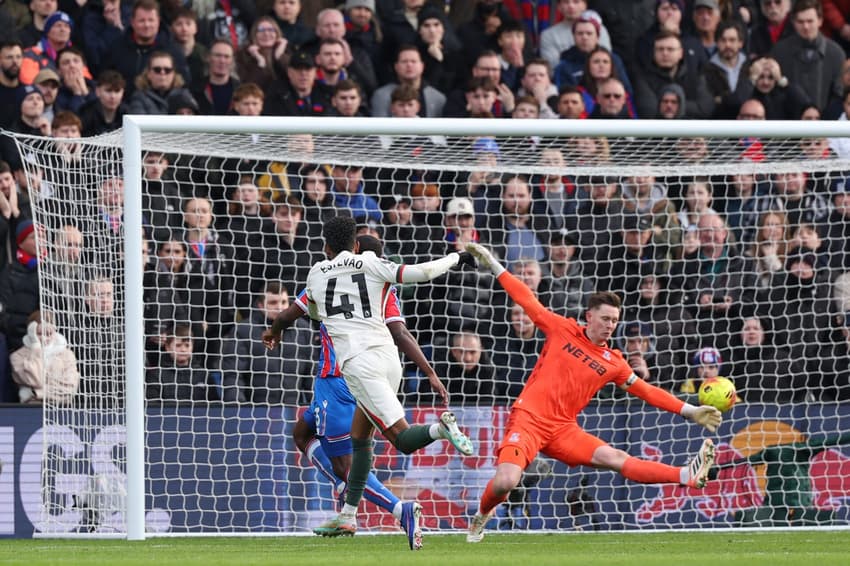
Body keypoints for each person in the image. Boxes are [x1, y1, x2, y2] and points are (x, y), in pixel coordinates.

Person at [463, 242, 722, 543]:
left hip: (563, 429)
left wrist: (691, 410)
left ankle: (685, 475)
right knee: (506, 482)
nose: (611, 325)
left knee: (616, 457)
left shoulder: (614, 362)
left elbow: (647, 392)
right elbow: (525, 298)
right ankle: (482, 515)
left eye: (615, 321)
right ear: (589, 316)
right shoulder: (562, 329)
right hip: (529, 419)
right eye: (605, 319)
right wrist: (494, 264)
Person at [262, 215, 476, 547]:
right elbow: (416, 288)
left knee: (393, 442)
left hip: (348, 374)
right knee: (339, 437)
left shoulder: (318, 274)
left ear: (326, 246)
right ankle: (348, 513)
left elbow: (293, 314)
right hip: (387, 362)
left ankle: (436, 436)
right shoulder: (378, 274)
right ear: (357, 246)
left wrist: (273, 331)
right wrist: (456, 257)